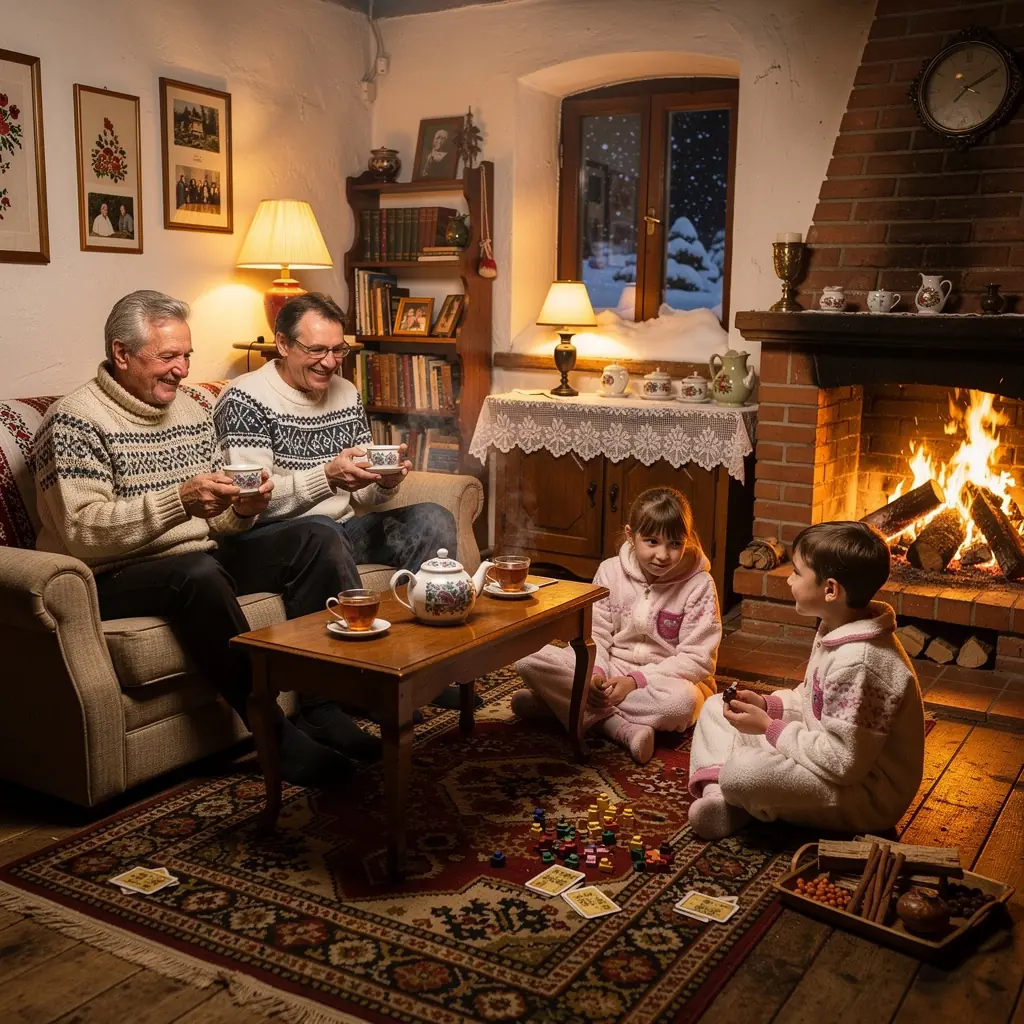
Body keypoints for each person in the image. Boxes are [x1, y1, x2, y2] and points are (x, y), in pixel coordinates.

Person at [32, 290, 363, 787]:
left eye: (186, 355)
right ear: (122, 354)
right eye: (167, 357)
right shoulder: (73, 420)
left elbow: (219, 524)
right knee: (196, 573)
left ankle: (320, 705)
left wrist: (243, 511)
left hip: (199, 553)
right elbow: (81, 532)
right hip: (108, 575)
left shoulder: (190, 411)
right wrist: (179, 503)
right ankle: (274, 733)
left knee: (314, 535)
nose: (182, 370)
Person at [214, 292, 465, 713]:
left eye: (338, 350)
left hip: (337, 529)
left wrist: (383, 482)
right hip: (266, 540)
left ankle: (424, 670)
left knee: (432, 519)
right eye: (316, 350)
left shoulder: (345, 392)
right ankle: (356, 684)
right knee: (323, 532)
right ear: (282, 344)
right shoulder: (245, 400)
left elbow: (360, 493)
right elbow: (250, 502)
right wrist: (325, 477)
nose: (329, 363)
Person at [687, 521, 926, 840]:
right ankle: (722, 800)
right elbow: (812, 700)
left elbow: (843, 763)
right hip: (823, 755)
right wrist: (768, 706)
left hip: (864, 794)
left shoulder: (861, 663)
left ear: (830, 589)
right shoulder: (837, 626)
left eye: (797, 572)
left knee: (743, 771)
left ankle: (733, 794)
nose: (788, 578)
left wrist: (769, 728)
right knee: (717, 707)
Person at [513, 487, 721, 764]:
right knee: (529, 660)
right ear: (629, 536)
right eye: (652, 541)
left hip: (664, 681)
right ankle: (617, 727)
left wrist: (634, 682)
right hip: (609, 666)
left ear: (687, 540)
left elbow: (698, 660)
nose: (663, 554)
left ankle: (561, 707)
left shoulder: (699, 584)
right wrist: (595, 673)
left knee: (683, 704)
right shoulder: (609, 571)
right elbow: (595, 632)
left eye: (674, 543)